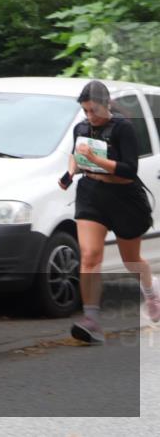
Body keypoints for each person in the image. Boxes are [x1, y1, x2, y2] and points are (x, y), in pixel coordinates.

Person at [59, 80, 160, 344]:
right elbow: (74, 154)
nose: (90, 117)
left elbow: (129, 170)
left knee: (132, 261)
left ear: (106, 105)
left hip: (124, 199)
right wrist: (70, 171)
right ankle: (91, 320)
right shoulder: (82, 128)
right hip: (92, 196)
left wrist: (95, 161)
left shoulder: (123, 128)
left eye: (94, 110)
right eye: (85, 111)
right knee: (90, 255)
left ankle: (151, 293)